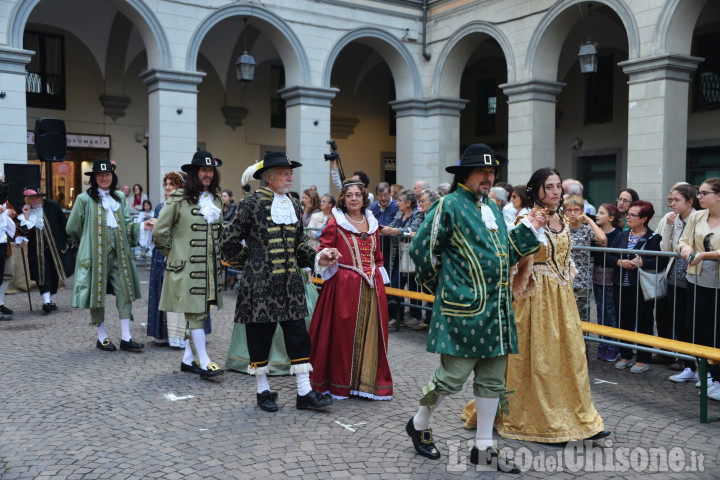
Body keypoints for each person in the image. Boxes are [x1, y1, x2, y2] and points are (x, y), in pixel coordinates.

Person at [404, 144, 546, 472]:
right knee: (450, 378)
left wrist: (530, 230)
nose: (489, 176)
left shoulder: (493, 210)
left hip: (497, 312)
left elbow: (505, 255)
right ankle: (419, 423)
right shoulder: (448, 205)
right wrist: (442, 288)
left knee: (492, 381)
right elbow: (421, 248)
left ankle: (483, 447)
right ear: (465, 175)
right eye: (483, 172)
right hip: (462, 310)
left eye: (492, 172)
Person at [491, 167, 610, 443]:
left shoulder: (561, 217)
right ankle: (545, 419)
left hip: (561, 295)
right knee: (539, 359)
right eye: (551, 187)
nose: (557, 192)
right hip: (535, 296)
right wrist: (531, 231)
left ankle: (581, 417)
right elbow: (514, 258)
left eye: (559, 186)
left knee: (571, 357)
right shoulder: (526, 218)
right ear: (538, 190)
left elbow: (564, 256)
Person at [219, 151, 340, 412]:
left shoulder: (294, 206)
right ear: (269, 177)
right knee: (260, 336)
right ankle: (263, 390)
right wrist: (249, 265)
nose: (290, 177)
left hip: (290, 284)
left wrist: (319, 257)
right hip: (261, 285)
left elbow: (298, 247)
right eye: (285, 173)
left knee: (298, 334)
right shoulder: (251, 203)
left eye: (290, 172)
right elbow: (227, 242)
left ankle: (304, 393)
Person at [309, 179, 393, 400]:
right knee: (341, 336)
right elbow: (321, 250)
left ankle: (365, 382)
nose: (354, 198)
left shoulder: (372, 223)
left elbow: (377, 258)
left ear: (363, 198)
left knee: (372, 334)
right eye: (349, 195)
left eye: (357, 195)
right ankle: (339, 382)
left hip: (372, 288)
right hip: (344, 288)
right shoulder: (335, 223)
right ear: (343, 200)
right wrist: (327, 256)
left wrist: (378, 274)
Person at [153, 151, 224, 379]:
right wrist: (173, 253)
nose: (207, 175)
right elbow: (159, 231)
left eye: (210, 170)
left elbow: (218, 233)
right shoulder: (178, 198)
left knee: (201, 312)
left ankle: (187, 359)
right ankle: (204, 361)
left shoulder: (215, 199)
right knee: (196, 314)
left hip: (209, 269)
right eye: (203, 170)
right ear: (193, 173)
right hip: (186, 269)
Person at [66, 159, 144, 351]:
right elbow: (72, 227)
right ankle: (102, 337)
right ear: (94, 178)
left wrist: (142, 227)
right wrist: (84, 241)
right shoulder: (84, 199)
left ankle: (126, 337)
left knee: (125, 291)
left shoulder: (119, 197)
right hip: (95, 255)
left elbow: (126, 223)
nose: (104, 178)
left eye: (107, 174)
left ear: (112, 176)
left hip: (120, 254)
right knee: (96, 293)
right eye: (100, 175)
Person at [606, 200, 663, 373]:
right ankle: (626, 355)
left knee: (644, 320)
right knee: (624, 319)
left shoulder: (653, 237)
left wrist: (642, 261)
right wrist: (618, 262)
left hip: (640, 286)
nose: (628, 217)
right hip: (620, 284)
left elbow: (660, 260)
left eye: (633, 215)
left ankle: (643, 358)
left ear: (644, 218)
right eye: (627, 214)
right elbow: (608, 256)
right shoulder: (621, 235)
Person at [677, 178, 720, 399]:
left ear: (718, 195)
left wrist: (705, 254)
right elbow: (683, 240)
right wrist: (685, 248)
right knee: (699, 328)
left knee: (717, 331)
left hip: (718, 283)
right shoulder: (697, 216)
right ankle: (707, 376)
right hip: (697, 279)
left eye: (704, 193)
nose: (699, 197)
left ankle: (718, 379)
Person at [659, 184, 698, 372]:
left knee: (692, 323)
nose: (672, 204)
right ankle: (686, 364)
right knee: (678, 321)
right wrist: (667, 227)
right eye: (671, 200)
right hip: (674, 277)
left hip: (694, 279)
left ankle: (697, 364)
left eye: (676, 200)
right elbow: (666, 250)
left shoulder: (699, 219)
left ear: (689, 202)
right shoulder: (674, 220)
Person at [17, 186, 69, 313]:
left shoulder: (52, 206)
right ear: (27, 198)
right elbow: (24, 231)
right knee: (42, 275)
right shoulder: (26, 210)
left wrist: (69, 241)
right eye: (31, 198)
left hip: (55, 248)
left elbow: (64, 224)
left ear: (42, 197)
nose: (35, 200)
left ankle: (50, 300)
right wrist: (26, 216)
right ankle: (46, 302)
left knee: (54, 273)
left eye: (37, 197)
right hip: (37, 251)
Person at [380, 188, 423, 326]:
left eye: (400, 200)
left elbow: (412, 230)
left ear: (409, 202)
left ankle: (415, 317)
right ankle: (397, 316)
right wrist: (383, 228)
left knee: (413, 286)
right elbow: (391, 226)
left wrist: (392, 231)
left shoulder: (418, 214)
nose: (397, 203)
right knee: (395, 284)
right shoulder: (399, 214)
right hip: (399, 255)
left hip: (412, 256)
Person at [564, 195, 606, 325]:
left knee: (582, 320)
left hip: (582, 281)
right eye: (569, 210)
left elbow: (602, 239)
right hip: (564, 280)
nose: (572, 213)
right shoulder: (562, 229)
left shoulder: (587, 230)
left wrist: (589, 220)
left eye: (576, 210)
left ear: (582, 210)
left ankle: (584, 345)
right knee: (565, 320)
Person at [591, 203, 623, 361]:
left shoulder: (618, 235)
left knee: (611, 311)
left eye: (601, 213)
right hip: (597, 277)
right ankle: (603, 341)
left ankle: (614, 344)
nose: (597, 215)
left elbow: (614, 256)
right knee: (600, 310)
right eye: (597, 212)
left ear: (611, 218)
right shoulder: (595, 232)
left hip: (611, 278)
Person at [413, 188, 441, 331]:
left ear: (431, 202)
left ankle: (433, 321)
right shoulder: (426, 215)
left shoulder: (437, 215)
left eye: (423, 201)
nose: (420, 204)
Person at [0, 182, 16, 320]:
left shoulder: (4, 202)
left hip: (3, 244)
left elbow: (13, 214)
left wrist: (9, 212)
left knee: (4, 275)